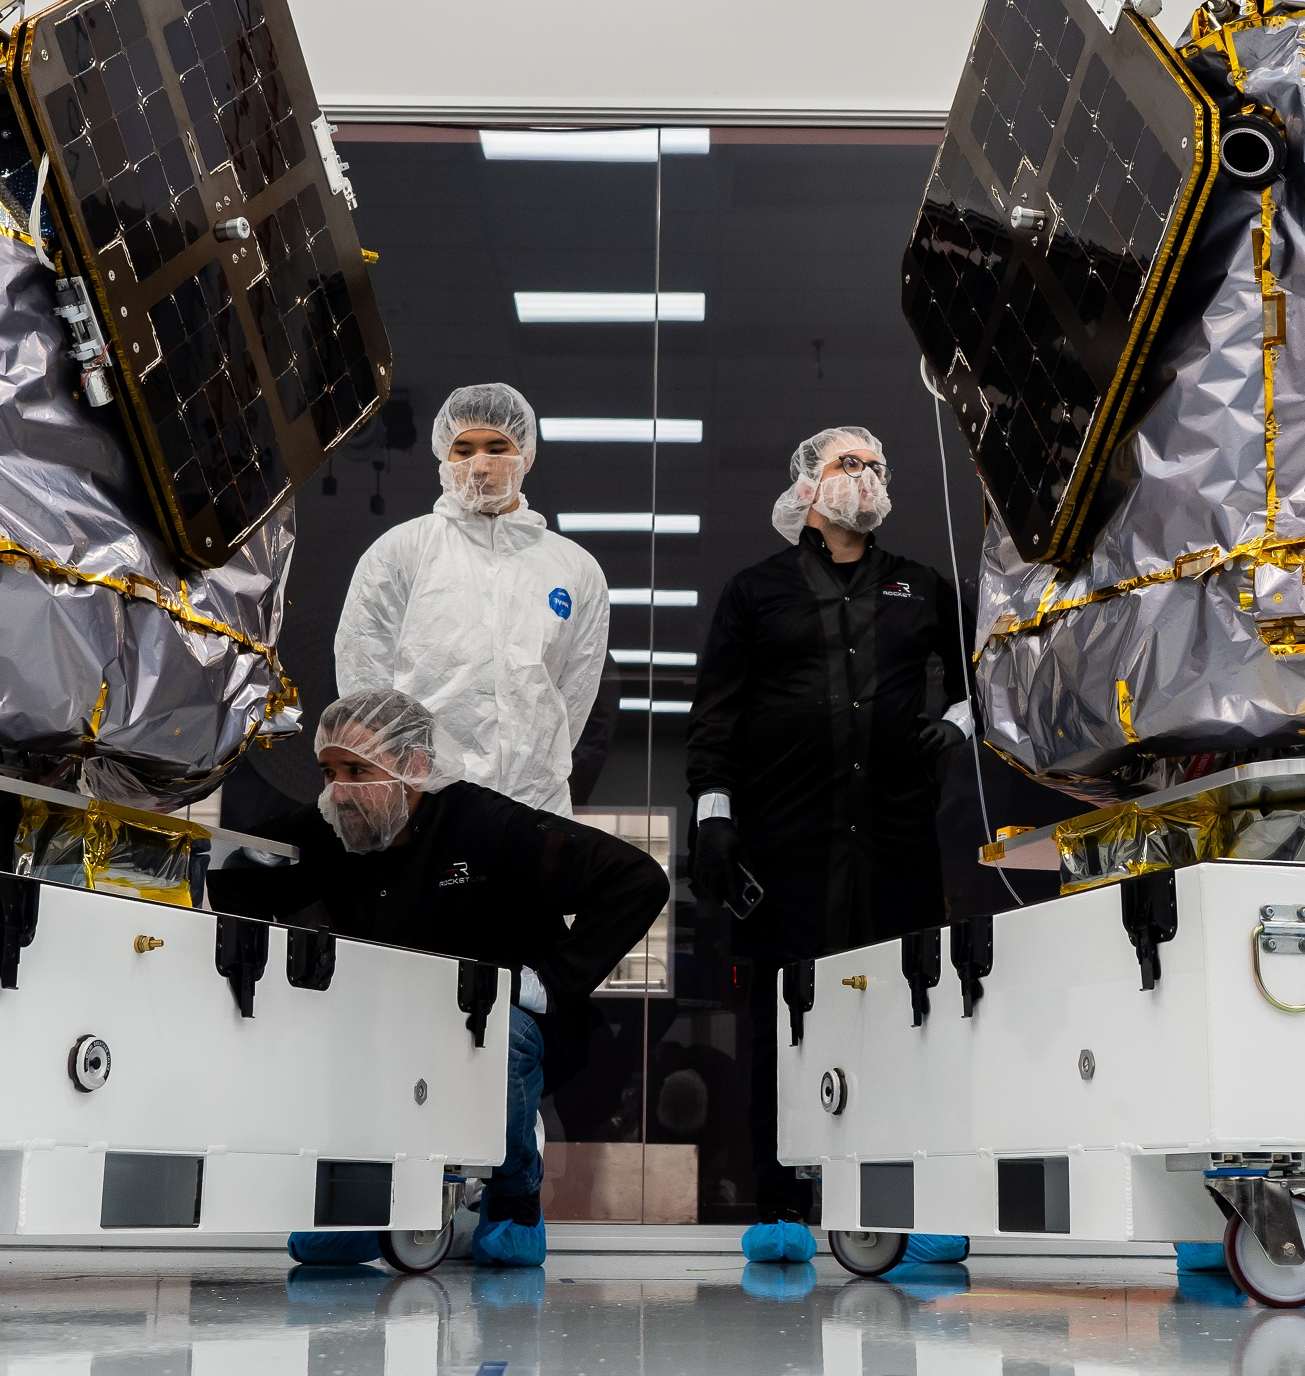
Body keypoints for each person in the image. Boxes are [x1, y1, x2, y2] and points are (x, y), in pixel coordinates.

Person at [209, 688, 668, 1269]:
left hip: (502, 1022)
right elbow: (239, 880)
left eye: (357, 769)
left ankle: (514, 1199)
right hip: (395, 1017)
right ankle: (359, 1207)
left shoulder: (488, 827)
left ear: (416, 767)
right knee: (336, 1035)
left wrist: (548, 982)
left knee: (507, 1035)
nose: (338, 791)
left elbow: (637, 880)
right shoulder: (335, 829)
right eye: (328, 772)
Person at [684, 426, 973, 1266]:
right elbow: (715, 719)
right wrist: (712, 816)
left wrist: (950, 733)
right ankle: (780, 1203)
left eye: (876, 464)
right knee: (786, 1018)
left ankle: (902, 1202)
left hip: (893, 841)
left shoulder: (922, 586)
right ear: (807, 484)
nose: (866, 475)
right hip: (785, 843)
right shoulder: (755, 593)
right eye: (847, 463)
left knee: (899, 1013)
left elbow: (975, 684)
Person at [336, 383, 610, 814]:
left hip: (535, 804)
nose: (479, 464)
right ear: (444, 456)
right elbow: (364, 680)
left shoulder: (575, 569)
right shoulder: (401, 552)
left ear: (527, 456)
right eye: (463, 449)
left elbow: (573, 698)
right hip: (424, 802)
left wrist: (533, 766)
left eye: (497, 447)